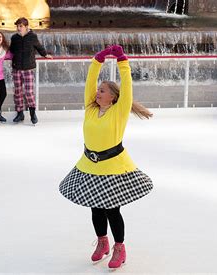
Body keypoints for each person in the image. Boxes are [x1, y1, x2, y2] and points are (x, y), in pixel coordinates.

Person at [59, 45, 153, 269]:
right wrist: (97, 60)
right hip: (89, 166)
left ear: (112, 97)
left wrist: (122, 60)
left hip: (113, 167)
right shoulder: (90, 109)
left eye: (102, 90)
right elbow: (89, 82)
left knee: (112, 209)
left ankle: (120, 247)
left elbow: (127, 86)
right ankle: (103, 242)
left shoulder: (119, 112)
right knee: (95, 207)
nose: (97, 92)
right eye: (98, 90)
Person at [9, 17, 52, 125]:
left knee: (29, 92)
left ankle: (32, 113)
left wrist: (45, 54)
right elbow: (11, 50)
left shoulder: (32, 36)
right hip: (17, 68)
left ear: (26, 27)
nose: (19, 28)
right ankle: (20, 113)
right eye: (17, 26)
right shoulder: (14, 38)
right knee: (18, 92)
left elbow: (39, 47)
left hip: (28, 68)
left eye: (21, 26)